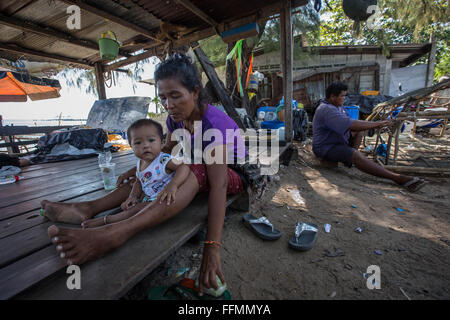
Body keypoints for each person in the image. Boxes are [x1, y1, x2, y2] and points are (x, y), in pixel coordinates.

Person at [41, 53, 247, 294]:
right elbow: (166, 151)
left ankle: (116, 233)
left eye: (176, 96)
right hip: (198, 164)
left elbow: (219, 185)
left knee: (192, 170)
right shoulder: (176, 120)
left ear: (195, 92)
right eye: (163, 98)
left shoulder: (215, 124)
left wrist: (212, 248)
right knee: (154, 169)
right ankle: (88, 208)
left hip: (233, 172)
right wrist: (138, 168)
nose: (169, 105)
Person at [312, 81, 426, 192]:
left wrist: (373, 125)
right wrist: (378, 124)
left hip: (336, 141)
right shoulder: (326, 109)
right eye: (342, 96)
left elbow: (352, 123)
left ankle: (349, 160)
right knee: (354, 153)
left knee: (359, 132)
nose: (344, 98)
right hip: (326, 147)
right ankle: (398, 178)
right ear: (332, 96)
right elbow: (352, 124)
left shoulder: (338, 106)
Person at [79, 118, 190, 228]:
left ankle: (108, 220)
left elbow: (184, 167)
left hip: (164, 201)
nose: (146, 145)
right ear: (131, 147)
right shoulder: (140, 164)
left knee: (137, 210)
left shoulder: (164, 160)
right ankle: (119, 216)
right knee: (129, 207)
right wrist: (132, 196)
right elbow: (138, 181)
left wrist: (173, 185)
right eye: (138, 142)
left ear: (162, 143)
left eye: (151, 140)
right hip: (149, 199)